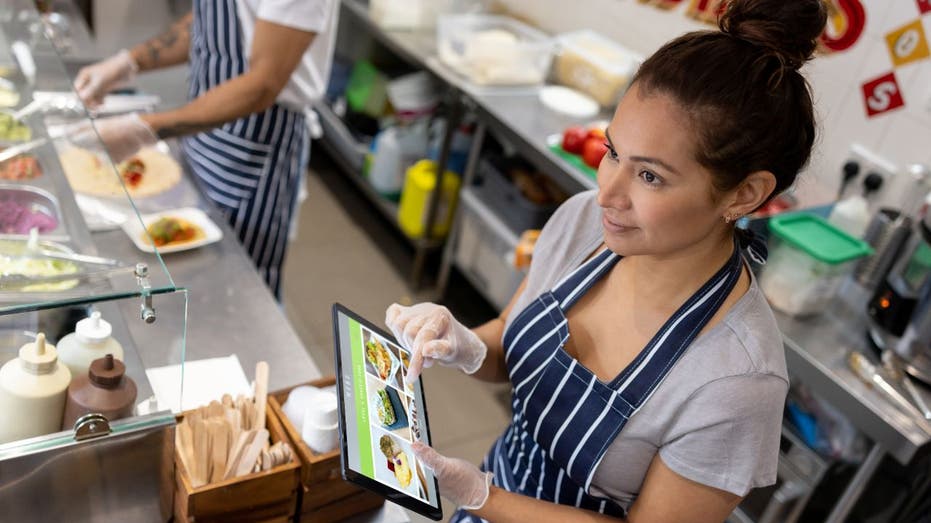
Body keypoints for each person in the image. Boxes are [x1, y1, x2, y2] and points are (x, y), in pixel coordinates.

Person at [385, 0, 826, 521]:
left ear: (745, 194)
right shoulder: (582, 224)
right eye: (613, 152)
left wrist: (488, 498)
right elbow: (509, 341)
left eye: (650, 176)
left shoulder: (737, 382)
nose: (606, 194)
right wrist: (462, 343)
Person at [73, 0, 338, 297]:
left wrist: (146, 128)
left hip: (255, 142)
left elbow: (263, 83)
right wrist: (129, 62)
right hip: (203, 125)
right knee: (194, 265)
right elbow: (216, 20)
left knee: (242, 284)